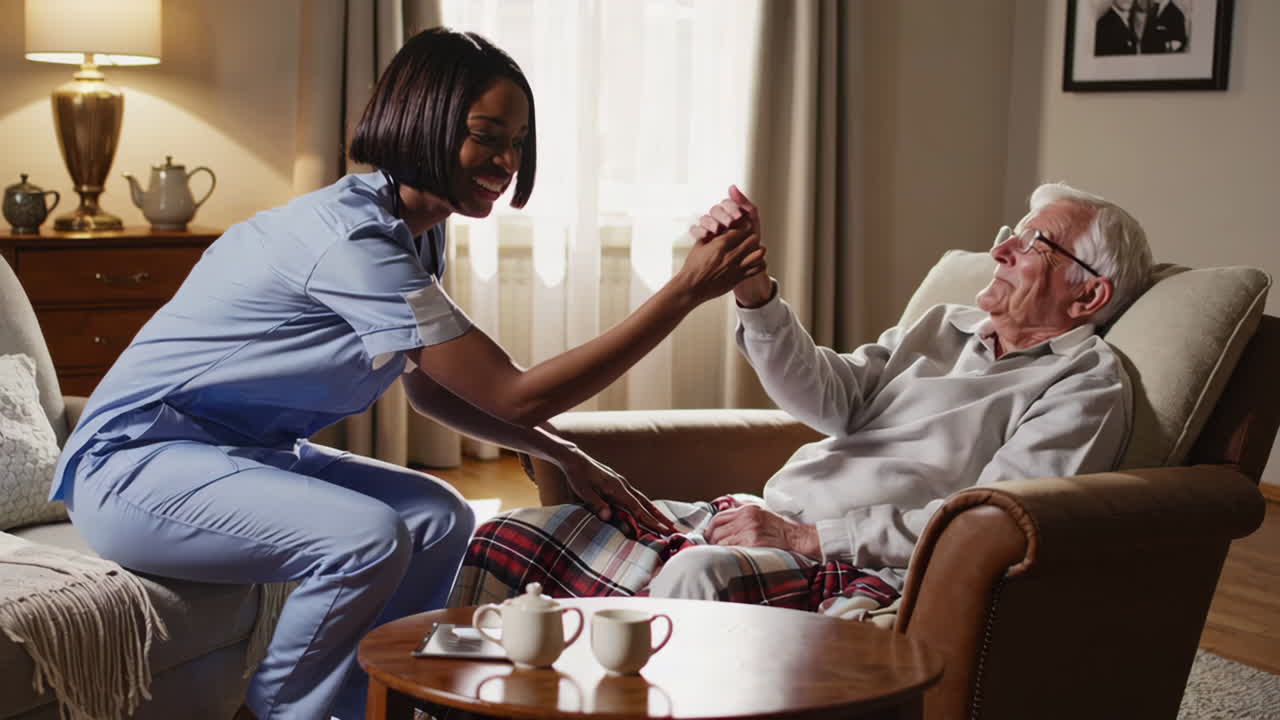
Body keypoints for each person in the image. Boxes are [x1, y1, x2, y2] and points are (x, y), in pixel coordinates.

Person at [50, 28, 763, 720]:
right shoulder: (354, 242)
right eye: (486, 135)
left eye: (516, 141)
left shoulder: (416, 228)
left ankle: (377, 703)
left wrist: (563, 454)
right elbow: (517, 391)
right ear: (423, 122)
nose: (506, 159)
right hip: (133, 468)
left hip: (243, 456)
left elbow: (428, 386)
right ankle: (272, 711)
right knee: (366, 537)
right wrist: (683, 292)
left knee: (436, 514)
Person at [449, 182, 1152, 621]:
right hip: (766, 519)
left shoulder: (1084, 382)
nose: (1000, 250)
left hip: (854, 561)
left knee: (698, 577)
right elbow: (830, 398)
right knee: (513, 535)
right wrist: (752, 287)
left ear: (1088, 293)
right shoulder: (945, 325)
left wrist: (811, 539)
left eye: (1033, 243)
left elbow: (994, 520)